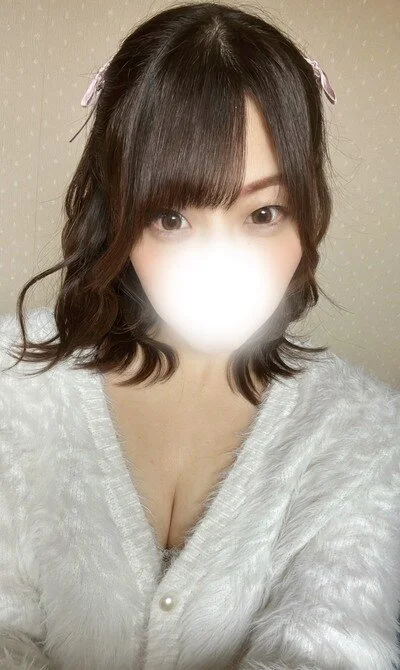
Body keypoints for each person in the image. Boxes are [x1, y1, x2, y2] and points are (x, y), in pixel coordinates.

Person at [1, 2, 399, 669]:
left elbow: (335, 649)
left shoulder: (366, 439)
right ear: (117, 212)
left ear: (308, 213)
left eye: (263, 213)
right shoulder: (11, 383)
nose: (220, 267)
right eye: (170, 218)